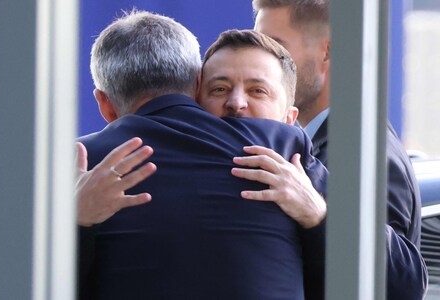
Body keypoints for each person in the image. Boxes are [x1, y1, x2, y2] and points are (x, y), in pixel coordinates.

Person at [76, 11, 327, 300]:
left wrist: (74, 221)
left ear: (104, 105)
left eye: (258, 91)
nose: (236, 104)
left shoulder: (79, 164)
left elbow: (25, 282)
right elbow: (378, 275)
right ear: (197, 86)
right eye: (220, 88)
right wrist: (320, 217)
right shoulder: (283, 148)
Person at [251, 0, 428, 299]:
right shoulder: (305, 142)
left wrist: (321, 214)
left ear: (328, 51)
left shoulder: (368, 154)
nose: (261, 63)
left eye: (276, 49)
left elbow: (402, 283)